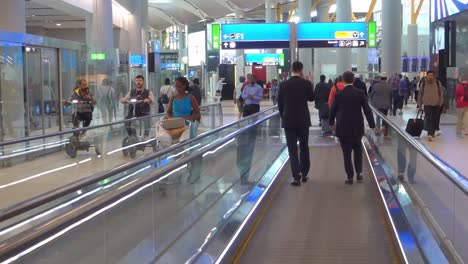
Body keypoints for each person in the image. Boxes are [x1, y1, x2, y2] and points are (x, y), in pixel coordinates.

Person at [329, 71, 376, 185]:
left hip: (343, 127)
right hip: (357, 127)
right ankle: (359, 173)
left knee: (346, 153)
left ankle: (350, 176)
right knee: (357, 150)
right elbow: (367, 110)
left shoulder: (339, 95)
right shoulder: (360, 93)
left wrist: (331, 123)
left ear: (343, 81)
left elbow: (333, 110)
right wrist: (372, 124)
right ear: (353, 80)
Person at [278, 61, 314, 186]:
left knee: (292, 149)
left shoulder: (283, 84)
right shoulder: (306, 83)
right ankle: (304, 173)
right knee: (304, 147)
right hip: (303, 119)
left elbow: (280, 103)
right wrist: (310, 82)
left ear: (291, 69)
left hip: (289, 120)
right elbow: (311, 98)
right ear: (301, 69)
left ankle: (296, 176)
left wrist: (284, 116)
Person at [418, 71, 444, 141]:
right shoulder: (423, 84)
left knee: (435, 120)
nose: (430, 77)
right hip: (427, 104)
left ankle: (432, 133)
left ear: (434, 76)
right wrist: (420, 105)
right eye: (429, 75)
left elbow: (441, 93)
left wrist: (441, 103)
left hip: (436, 104)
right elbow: (420, 94)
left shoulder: (438, 83)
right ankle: (430, 134)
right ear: (426, 76)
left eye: (432, 75)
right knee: (429, 119)